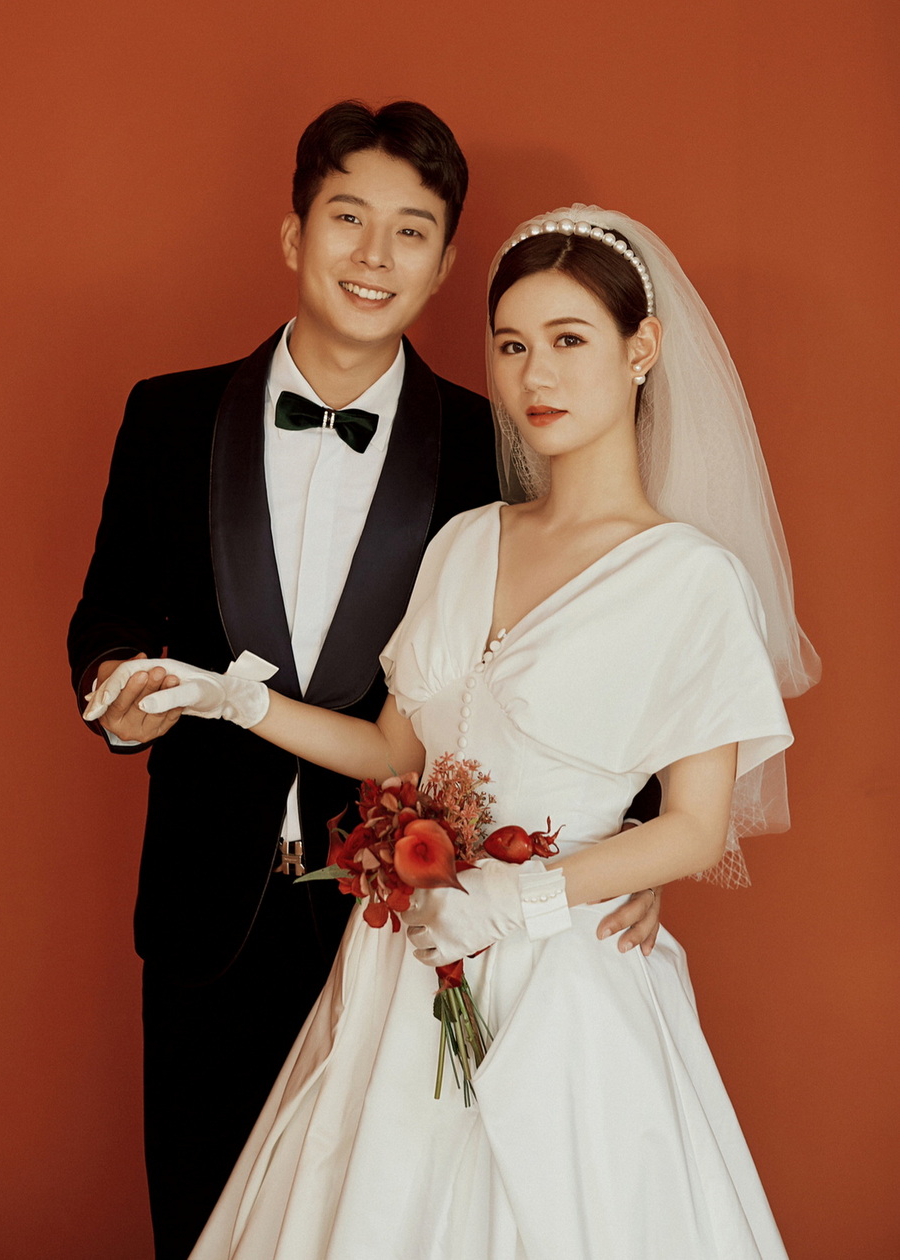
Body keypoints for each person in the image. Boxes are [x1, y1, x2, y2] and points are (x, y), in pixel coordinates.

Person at [96, 204, 820, 1258]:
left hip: (565, 980)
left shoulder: (692, 579)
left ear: (642, 350)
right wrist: (235, 701)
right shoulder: (466, 540)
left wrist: (515, 901)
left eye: (569, 340)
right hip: (400, 964)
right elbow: (398, 752)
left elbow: (695, 827)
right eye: (512, 345)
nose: (536, 375)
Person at [69, 103, 661, 1259]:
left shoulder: (498, 444)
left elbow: (570, 640)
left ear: (444, 263)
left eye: (410, 231)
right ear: (295, 233)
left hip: (412, 924)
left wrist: (636, 842)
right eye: (347, 218)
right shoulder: (166, 416)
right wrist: (117, 688)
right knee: (201, 1228)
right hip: (207, 915)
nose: (373, 255)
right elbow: (113, 610)